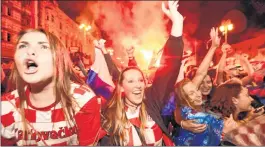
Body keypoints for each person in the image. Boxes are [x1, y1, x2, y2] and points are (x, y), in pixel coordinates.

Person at [99, 1, 184, 145]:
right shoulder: (110, 116)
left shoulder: (152, 101)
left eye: (140, 80)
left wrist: (177, 22)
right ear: (120, 87)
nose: (138, 85)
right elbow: (114, 72)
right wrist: (104, 52)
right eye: (131, 81)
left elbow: (169, 68)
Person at [1, 28, 102, 146]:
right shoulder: (5, 107)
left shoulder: (82, 100)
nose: (29, 52)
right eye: (23, 46)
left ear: (59, 58)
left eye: (43, 47)